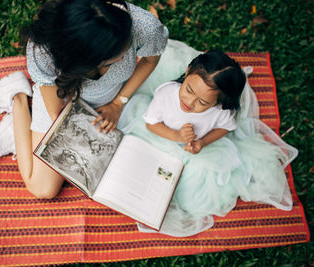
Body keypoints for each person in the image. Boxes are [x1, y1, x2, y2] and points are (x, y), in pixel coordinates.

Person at [0, 0, 169, 199]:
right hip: (61, 103)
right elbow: (57, 114)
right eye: (116, 55)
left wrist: (118, 103)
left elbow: (151, 58)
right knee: (43, 189)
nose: (126, 56)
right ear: (83, 61)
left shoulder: (142, 26)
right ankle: (18, 98)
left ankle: (24, 126)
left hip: (112, 98)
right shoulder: (44, 51)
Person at [121, 51, 297, 236]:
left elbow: (225, 129)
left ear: (218, 102)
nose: (189, 101)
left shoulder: (220, 112)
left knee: (193, 196)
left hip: (198, 151)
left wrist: (202, 142)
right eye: (189, 89)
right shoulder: (167, 94)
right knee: (136, 169)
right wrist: (177, 136)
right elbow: (151, 124)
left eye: (203, 102)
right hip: (162, 138)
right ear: (187, 72)